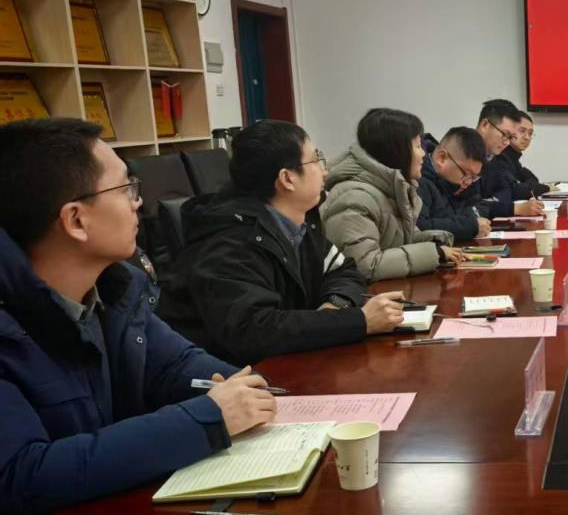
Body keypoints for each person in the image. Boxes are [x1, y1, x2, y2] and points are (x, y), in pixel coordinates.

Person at [0, 118, 277, 515]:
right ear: (76, 220)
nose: (139, 203)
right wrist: (208, 417)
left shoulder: (116, 289)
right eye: (125, 188)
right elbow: (22, 477)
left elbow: (175, 365)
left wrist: (248, 386)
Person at [159, 120, 406, 366]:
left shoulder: (299, 221)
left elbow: (343, 271)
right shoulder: (230, 241)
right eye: (315, 160)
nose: (325, 171)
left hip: (287, 362)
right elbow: (255, 331)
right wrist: (359, 321)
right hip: (227, 377)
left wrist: (334, 307)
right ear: (287, 179)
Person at [322, 108, 467, 280]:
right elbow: (364, 266)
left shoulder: (393, 188)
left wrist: (436, 242)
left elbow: (402, 239)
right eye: (418, 146)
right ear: (397, 151)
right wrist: (433, 252)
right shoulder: (355, 198)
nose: (423, 154)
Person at [461, 99, 545, 219]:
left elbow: (506, 192)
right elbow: (468, 208)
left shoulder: (490, 157)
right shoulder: (462, 154)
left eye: (510, 137)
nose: (507, 142)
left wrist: (493, 203)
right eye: (505, 134)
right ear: (485, 125)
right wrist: (513, 208)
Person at [418, 126, 493, 240]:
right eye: (466, 174)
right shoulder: (419, 180)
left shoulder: (455, 182)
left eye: (473, 178)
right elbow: (420, 228)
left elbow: (474, 208)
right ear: (442, 158)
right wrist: (470, 226)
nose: (468, 183)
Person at [484, 109, 545, 201]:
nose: (527, 137)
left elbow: (533, 180)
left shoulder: (513, 158)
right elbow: (516, 191)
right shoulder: (499, 156)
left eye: (530, 133)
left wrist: (529, 186)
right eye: (522, 131)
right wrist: (547, 188)